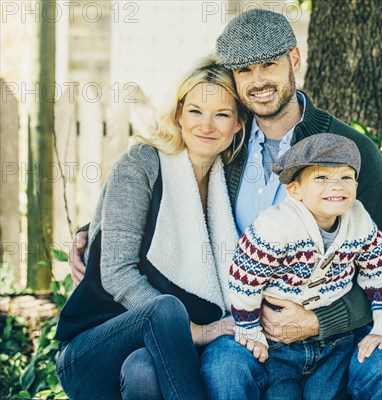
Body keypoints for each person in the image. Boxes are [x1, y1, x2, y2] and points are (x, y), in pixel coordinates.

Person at [69, 9, 382, 399]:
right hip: (246, 332)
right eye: (243, 71)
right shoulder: (226, 144)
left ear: (295, 60)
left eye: (269, 65)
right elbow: (169, 192)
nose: (258, 82)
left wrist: (318, 321)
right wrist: (94, 231)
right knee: (222, 367)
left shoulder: (349, 152)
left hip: (332, 333)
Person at [55, 57, 247, 399]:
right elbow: (115, 270)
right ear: (178, 115)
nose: (207, 125)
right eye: (195, 111)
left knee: (143, 372)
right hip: (93, 344)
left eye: (221, 114)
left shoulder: (231, 180)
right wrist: (199, 331)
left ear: (237, 124)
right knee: (165, 309)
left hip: (152, 354)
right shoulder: (142, 162)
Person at [230, 133, 382, 400]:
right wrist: (249, 330)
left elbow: (381, 272)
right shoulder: (274, 226)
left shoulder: (359, 219)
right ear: (295, 189)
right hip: (279, 344)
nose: (336, 186)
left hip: (335, 341)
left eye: (346, 177)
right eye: (321, 178)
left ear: (356, 184)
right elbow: (244, 278)